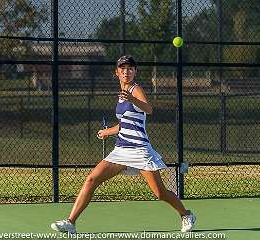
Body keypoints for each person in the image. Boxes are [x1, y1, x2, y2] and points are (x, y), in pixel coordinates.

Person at [50, 55, 196, 233]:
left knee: (160, 193)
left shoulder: (135, 89)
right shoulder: (121, 96)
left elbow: (148, 109)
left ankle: (186, 214)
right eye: (123, 68)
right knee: (91, 179)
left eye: (130, 68)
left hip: (140, 150)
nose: (126, 71)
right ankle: (70, 222)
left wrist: (132, 99)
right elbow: (124, 124)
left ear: (135, 72)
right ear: (117, 72)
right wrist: (107, 131)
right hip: (121, 150)